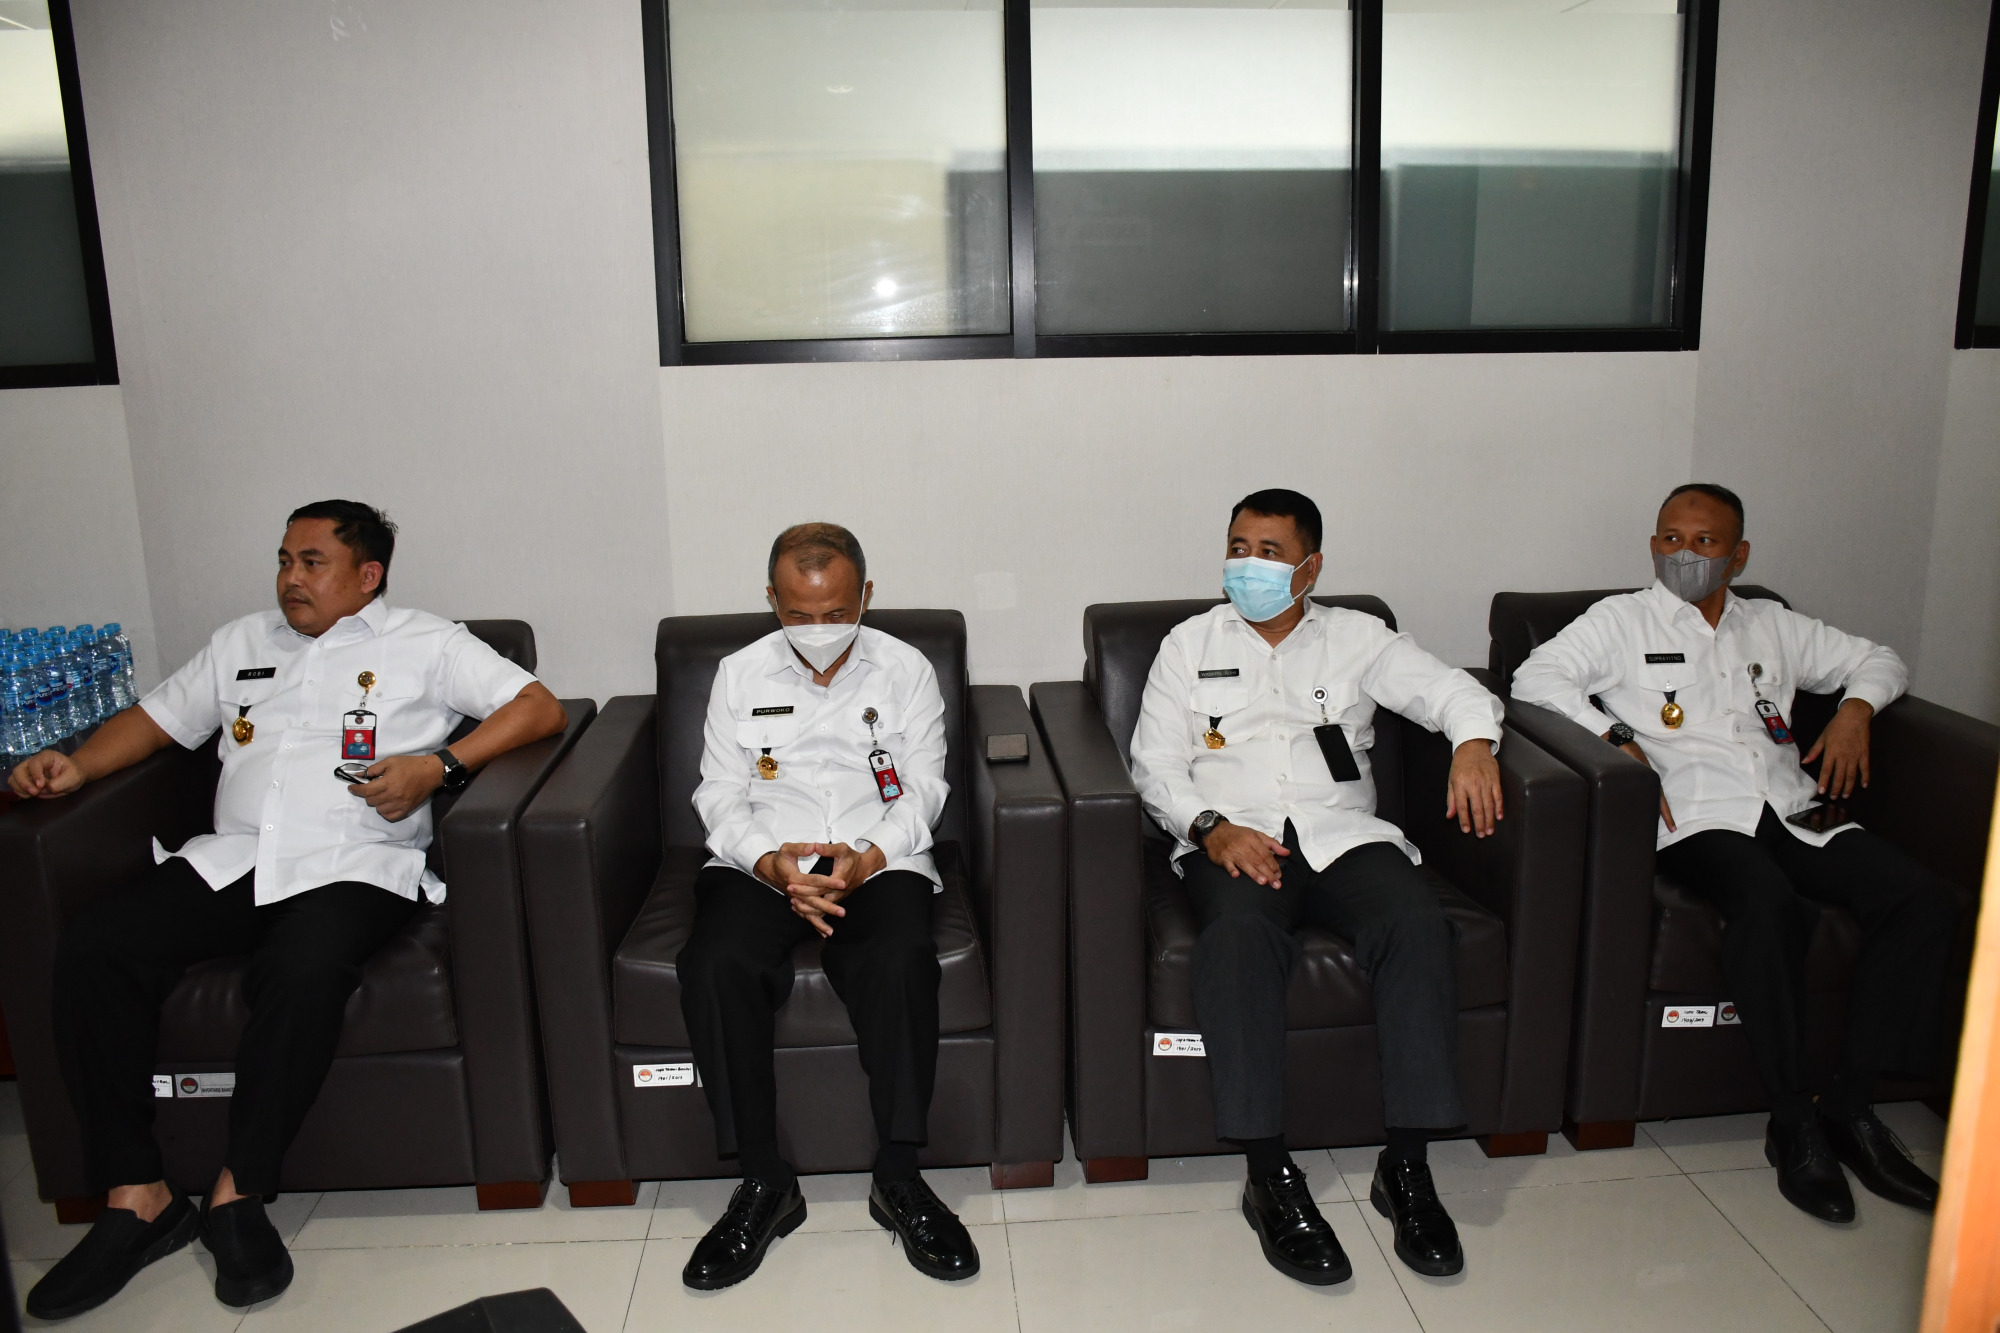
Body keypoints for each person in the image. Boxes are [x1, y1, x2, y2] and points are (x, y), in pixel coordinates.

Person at [11, 501, 567, 1320]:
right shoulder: (241, 643)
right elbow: (158, 721)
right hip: (233, 858)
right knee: (97, 947)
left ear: (367, 574)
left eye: (311, 562)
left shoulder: (425, 641)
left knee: (302, 968)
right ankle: (138, 1196)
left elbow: (538, 707)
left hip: (352, 864)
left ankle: (238, 1193)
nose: (290, 578)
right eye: (283, 560)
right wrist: (77, 766)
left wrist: (438, 767)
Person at [1510, 482, 1956, 1223]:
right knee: (1766, 901)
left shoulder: (1772, 624)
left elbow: (1879, 659)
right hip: (1696, 817)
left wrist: (1854, 711)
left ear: (1739, 555)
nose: (1683, 554)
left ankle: (1851, 1107)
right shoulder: (1621, 619)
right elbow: (1535, 678)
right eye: (1670, 539)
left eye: (1704, 542)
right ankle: (1793, 1120)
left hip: (1792, 806)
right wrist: (1618, 739)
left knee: (1922, 899)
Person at [1128, 489, 1507, 1285]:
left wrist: (1474, 744)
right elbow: (1154, 764)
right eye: (1238, 547)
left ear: (1310, 567)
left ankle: (1407, 1168)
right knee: (1238, 938)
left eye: (1269, 551)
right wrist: (1209, 826)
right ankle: (1269, 1174)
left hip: (1343, 836)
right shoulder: (1189, 643)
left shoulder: (1360, 637)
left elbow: (1454, 691)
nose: (1248, 565)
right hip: (1234, 839)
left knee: (1417, 924)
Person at [675, 522, 977, 1290]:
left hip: (877, 857)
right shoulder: (739, 673)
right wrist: (771, 863)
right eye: (798, 613)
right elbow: (718, 791)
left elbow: (925, 786)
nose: (818, 629)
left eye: (836, 612)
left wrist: (868, 855)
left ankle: (899, 1175)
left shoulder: (906, 669)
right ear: (771, 600)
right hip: (765, 860)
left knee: (900, 959)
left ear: (866, 596)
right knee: (714, 962)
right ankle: (764, 1179)